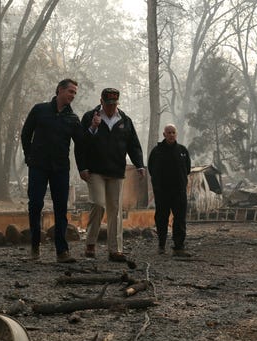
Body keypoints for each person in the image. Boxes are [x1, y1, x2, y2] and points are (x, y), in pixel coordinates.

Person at [76, 88, 146, 262]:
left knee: (115, 210)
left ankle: (115, 249)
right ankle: (90, 243)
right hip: (95, 170)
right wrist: (82, 167)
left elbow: (133, 145)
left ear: (118, 103)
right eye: (108, 104)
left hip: (116, 170)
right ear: (101, 101)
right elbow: (81, 144)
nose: (111, 107)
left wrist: (139, 165)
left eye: (114, 104)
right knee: (98, 204)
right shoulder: (89, 117)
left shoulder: (125, 120)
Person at [21, 78, 82, 263]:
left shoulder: (73, 119)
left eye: (74, 93)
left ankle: (62, 251)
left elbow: (82, 143)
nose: (72, 95)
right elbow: (26, 133)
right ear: (59, 90)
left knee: (61, 208)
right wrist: (29, 156)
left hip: (60, 168)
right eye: (70, 91)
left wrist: (94, 127)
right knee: (35, 205)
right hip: (38, 166)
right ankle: (34, 247)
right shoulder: (39, 110)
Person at [148, 124, 191, 256]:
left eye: (173, 132)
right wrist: (157, 186)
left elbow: (187, 169)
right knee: (161, 219)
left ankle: (179, 247)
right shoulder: (157, 151)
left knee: (180, 219)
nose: (171, 135)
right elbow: (151, 169)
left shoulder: (182, 151)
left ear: (176, 134)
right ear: (164, 134)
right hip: (162, 192)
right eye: (169, 132)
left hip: (179, 191)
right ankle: (161, 245)